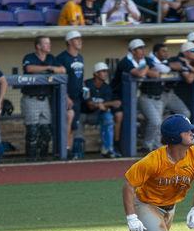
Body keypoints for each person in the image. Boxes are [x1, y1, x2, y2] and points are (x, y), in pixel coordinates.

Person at [112, 39, 163, 152]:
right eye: (139, 49)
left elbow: (156, 74)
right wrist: (146, 68)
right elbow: (140, 74)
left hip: (136, 96)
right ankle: (118, 146)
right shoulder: (125, 61)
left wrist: (145, 69)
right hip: (119, 96)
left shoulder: (146, 60)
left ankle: (149, 145)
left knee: (154, 120)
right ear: (132, 51)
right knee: (123, 117)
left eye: (143, 48)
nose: (142, 51)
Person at [21, 36, 66, 161]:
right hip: (31, 98)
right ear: (38, 46)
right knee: (32, 132)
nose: (49, 45)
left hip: (45, 99)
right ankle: (31, 159)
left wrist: (53, 67)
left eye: (49, 43)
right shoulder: (29, 57)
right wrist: (48, 68)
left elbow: (62, 70)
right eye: (46, 43)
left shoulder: (51, 58)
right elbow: (29, 69)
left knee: (46, 132)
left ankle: (43, 158)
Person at [81, 62, 122, 158]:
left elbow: (105, 107)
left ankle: (107, 150)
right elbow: (89, 105)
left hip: (98, 115)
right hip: (84, 114)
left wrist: (103, 105)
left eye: (106, 71)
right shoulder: (86, 84)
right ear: (96, 73)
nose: (106, 73)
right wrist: (109, 104)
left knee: (108, 117)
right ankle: (76, 152)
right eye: (103, 71)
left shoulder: (107, 87)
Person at [56, 31, 86, 159]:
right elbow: (59, 80)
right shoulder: (61, 58)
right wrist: (65, 96)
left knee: (74, 125)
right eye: (76, 39)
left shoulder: (80, 58)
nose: (80, 41)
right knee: (68, 119)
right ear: (69, 41)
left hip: (77, 97)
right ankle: (64, 149)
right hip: (66, 97)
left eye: (80, 39)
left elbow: (79, 77)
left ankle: (70, 149)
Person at [152, 43, 191, 120]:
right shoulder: (151, 61)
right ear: (156, 53)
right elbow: (163, 69)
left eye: (166, 51)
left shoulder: (169, 60)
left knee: (185, 113)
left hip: (170, 93)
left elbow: (179, 66)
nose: (166, 53)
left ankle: (171, 128)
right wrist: (172, 66)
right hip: (158, 94)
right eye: (163, 51)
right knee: (156, 119)